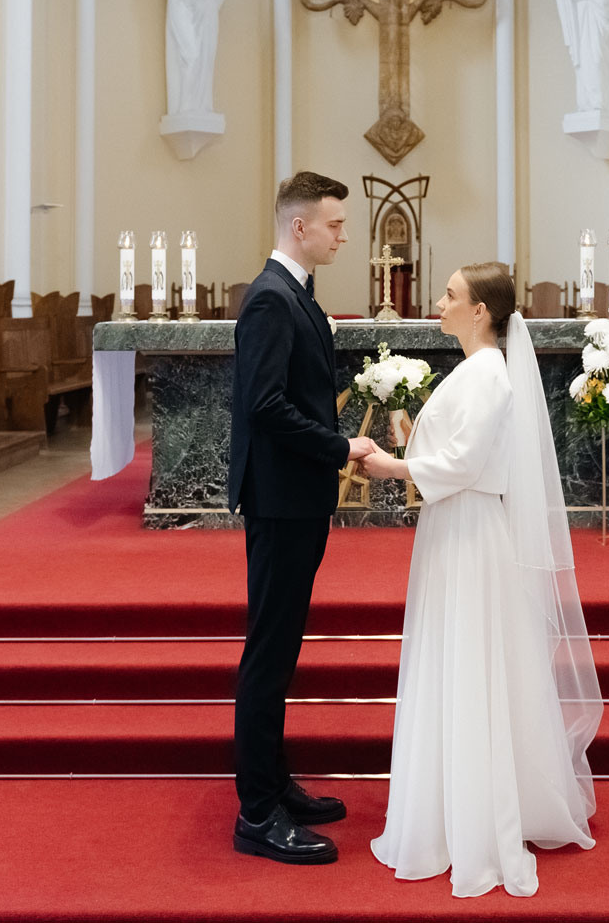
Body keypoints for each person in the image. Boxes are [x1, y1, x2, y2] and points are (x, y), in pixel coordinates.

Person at [360, 262, 601, 897]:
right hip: (453, 526)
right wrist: (410, 440)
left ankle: (473, 815)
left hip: (468, 532)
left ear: (480, 312)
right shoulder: (475, 369)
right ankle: (450, 799)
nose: (438, 304)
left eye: (450, 296)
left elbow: (465, 464)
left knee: (468, 660)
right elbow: (460, 450)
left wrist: (392, 467)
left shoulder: (489, 373)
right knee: (455, 657)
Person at [228, 171, 378, 866]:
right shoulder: (271, 298)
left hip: (297, 496)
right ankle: (257, 813)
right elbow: (264, 406)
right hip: (281, 499)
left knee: (282, 648)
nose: (344, 235)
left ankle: (274, 782)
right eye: (335, 224)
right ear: (300, 226)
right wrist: (340, 447)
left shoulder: (295, 293)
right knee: (269, 652)